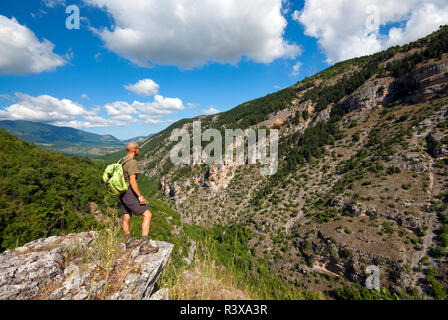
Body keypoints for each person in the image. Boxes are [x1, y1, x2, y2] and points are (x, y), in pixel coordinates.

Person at [119, 141, 159, 254]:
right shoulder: (131, 163)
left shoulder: (122, 160)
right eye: (138, 148)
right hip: (129, 192)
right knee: (147, 214)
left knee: (127, 215)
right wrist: (140, 196)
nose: (139, 150)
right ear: (135, 150)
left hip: (122, 191)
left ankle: (128, 241)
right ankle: (145, 245)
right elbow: (133, 181)